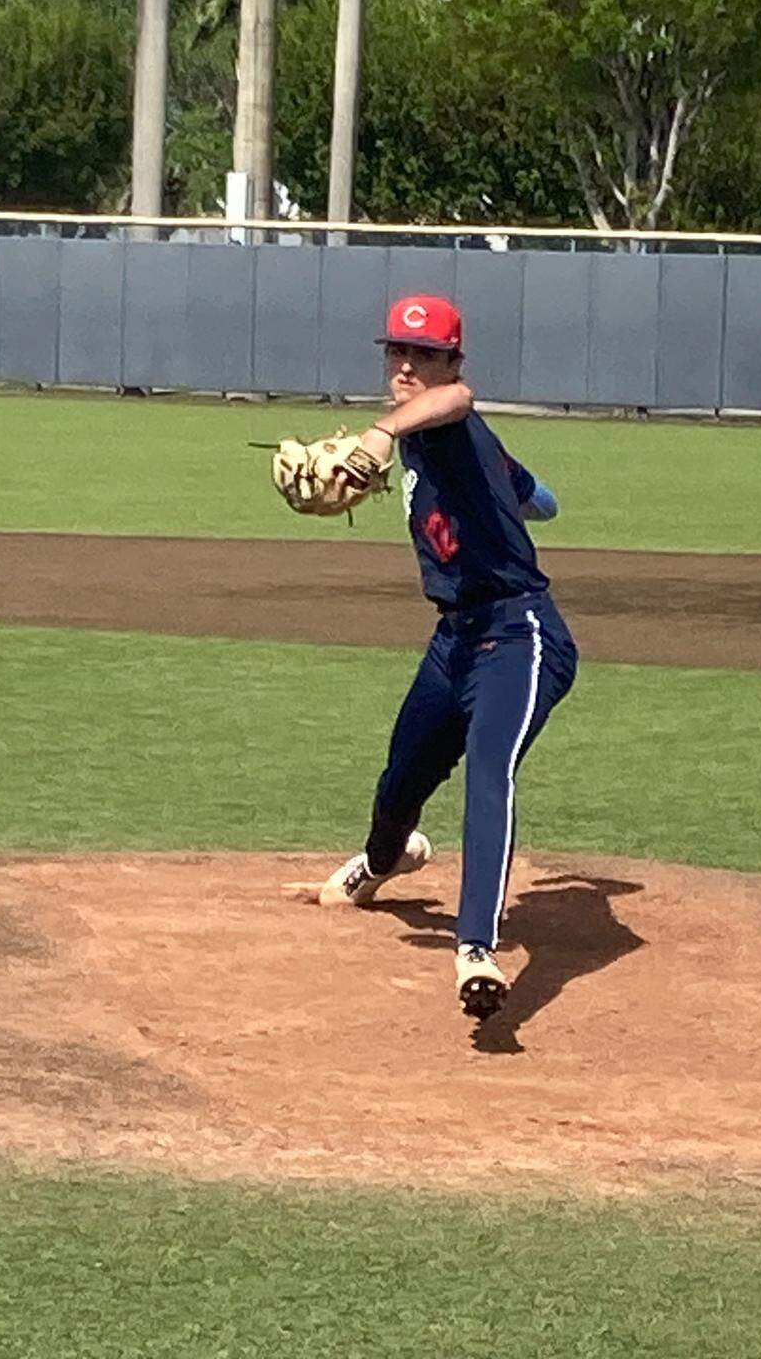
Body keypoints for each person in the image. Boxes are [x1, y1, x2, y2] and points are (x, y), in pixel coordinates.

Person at [315, 294, 578, 1020]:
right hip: (454, 640)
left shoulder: (448, 416)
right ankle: (383, 860)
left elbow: (458, 403)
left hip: (520, 637)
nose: (405, 365)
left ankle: (475, 951)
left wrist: (377, 435)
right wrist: (522, 495)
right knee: (403, 778)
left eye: (423, 354)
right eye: (396, 352)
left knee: (490, 768)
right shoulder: (451, 443)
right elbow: (541, 500)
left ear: (451, 362)